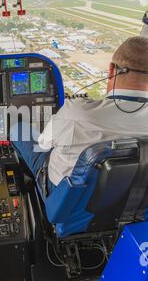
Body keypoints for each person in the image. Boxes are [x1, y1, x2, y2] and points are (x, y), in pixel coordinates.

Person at [12, 36, 148, 194]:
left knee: (18, 129)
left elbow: (43, 143)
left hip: (67, 204)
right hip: (134, 204)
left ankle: (31, 184)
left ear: (111, 70)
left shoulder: (76, 112)